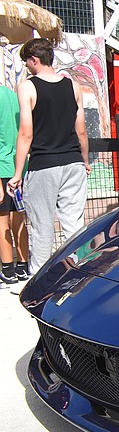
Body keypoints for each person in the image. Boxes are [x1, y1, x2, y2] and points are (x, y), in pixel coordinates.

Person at [7, 37, 90, 275]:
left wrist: (17, 173)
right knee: (74, 224)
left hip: (44, 164)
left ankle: (38, 280)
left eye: (26, 62)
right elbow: (81, 129)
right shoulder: (72, 85)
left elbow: (25, 134)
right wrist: (84, 160)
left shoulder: (27, 87)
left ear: (34, 59)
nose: (25, 66)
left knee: (42, 226)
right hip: (73, 162)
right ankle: (79, 273)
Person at [0, 85, 29, 287]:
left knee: (1, 223)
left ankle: (8, 270)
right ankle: (23, 267)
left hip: (2, 167)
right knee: (18, 219)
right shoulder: (13, 95)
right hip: (20, 166)